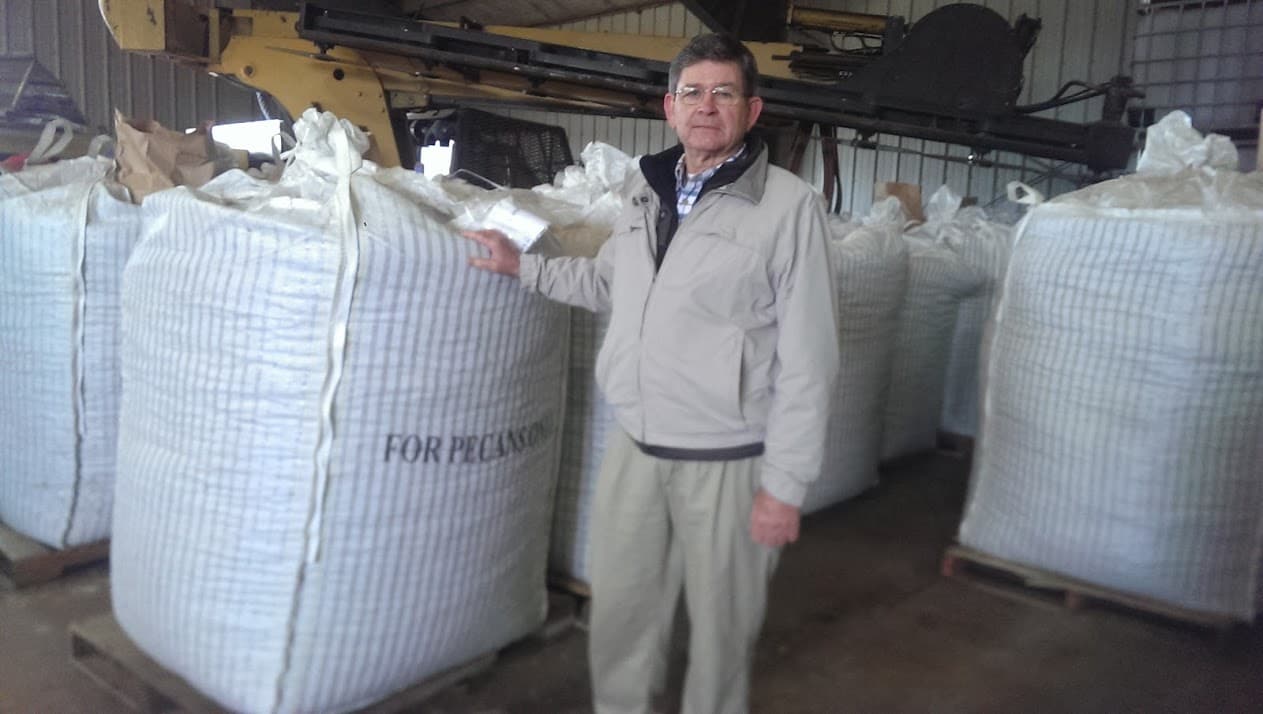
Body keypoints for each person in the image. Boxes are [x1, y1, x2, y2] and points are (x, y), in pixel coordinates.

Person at [464, 32, 839, 714]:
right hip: (636, 445)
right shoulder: (646, 189)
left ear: (751, 111)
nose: (706, 107)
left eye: (723, 93)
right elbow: (609, 283)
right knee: (622, 615)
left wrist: (784, 486)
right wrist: (522, 267)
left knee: (723, 631)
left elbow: (811, 357)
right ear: (669, 107)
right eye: (692, 92)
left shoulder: (788, 208)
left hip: (728, 459)